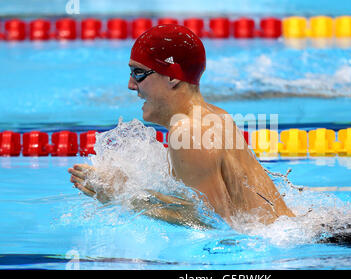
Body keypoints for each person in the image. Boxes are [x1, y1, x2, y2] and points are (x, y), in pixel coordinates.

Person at [69, 24, 295, 228]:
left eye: (139, 73)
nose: (130, 85)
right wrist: (127, 186)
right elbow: (218, 209)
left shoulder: (189, 132)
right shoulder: (213, 116)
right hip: (287, 235)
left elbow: (216, 223)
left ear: (172, 76)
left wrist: (122, 195)